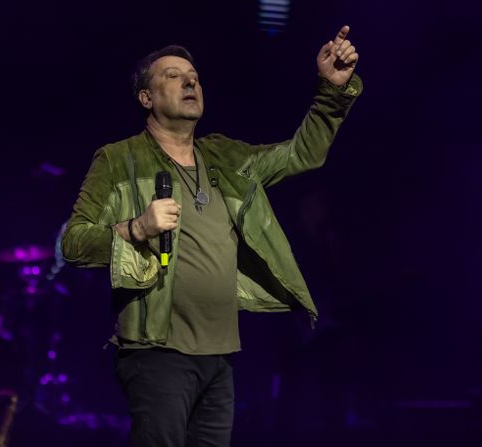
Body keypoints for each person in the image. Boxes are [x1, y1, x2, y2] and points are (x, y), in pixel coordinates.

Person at [62, 25, 362, 447]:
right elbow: (73, 243)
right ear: (146, 98)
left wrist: (332, 91)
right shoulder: (118, 159)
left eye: (195, 77)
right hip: (156, 352)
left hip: (220, 354)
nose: (190, 82)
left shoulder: (224, 156)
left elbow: (301, 154)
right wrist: (135, 228)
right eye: (173, 76)